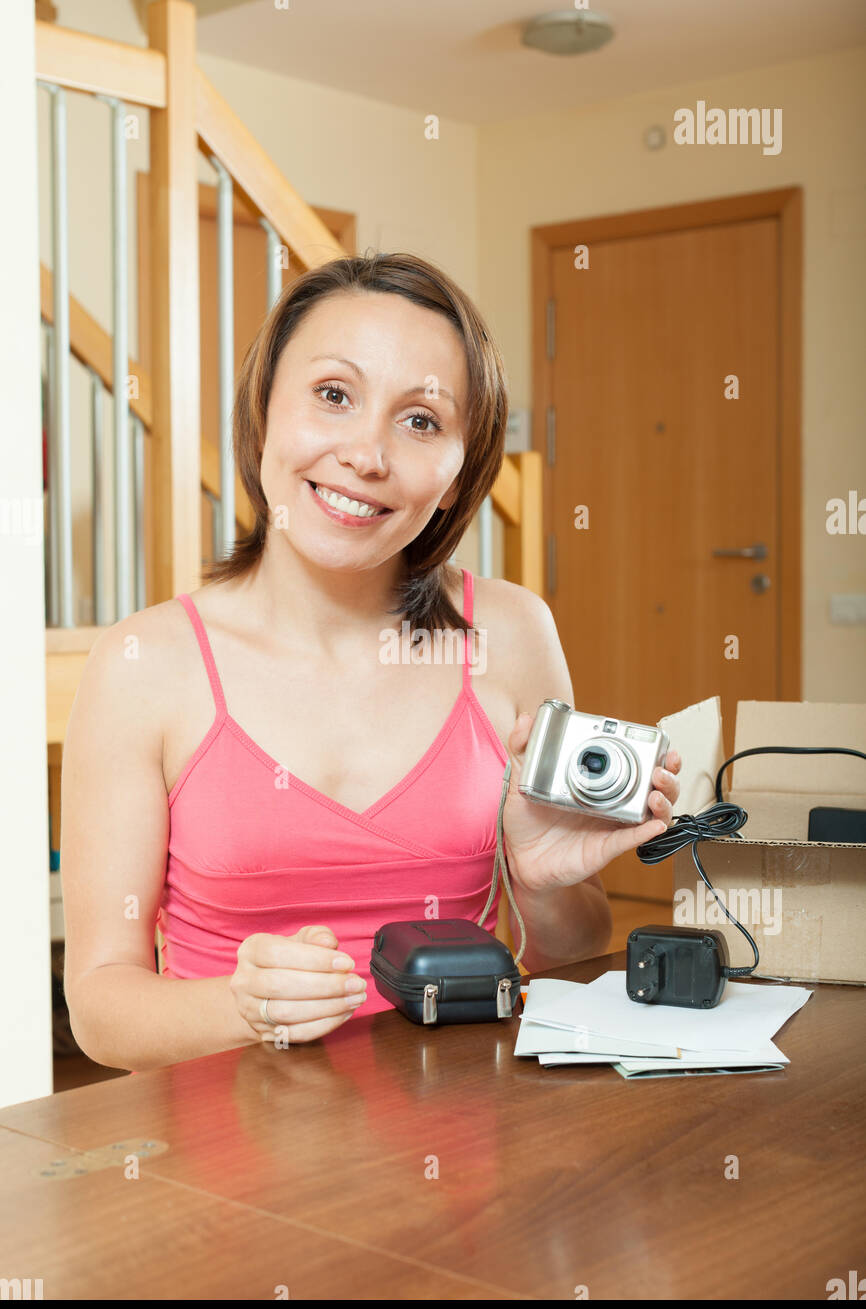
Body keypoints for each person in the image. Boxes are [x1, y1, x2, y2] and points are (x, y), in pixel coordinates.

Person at [61, 251, 681, 1072]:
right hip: (223, 1166)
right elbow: (102, 1006)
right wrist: (242, 1008)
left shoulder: (513, 632)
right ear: (263, 412)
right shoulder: (145, 664)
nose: (367, 455)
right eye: (333, 395)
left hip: (461, 1141)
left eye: (421, 420)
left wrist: (537, 881)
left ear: (459, 475)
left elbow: (572, 952)